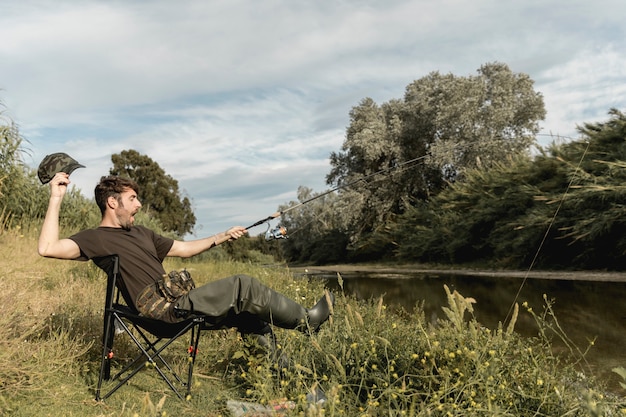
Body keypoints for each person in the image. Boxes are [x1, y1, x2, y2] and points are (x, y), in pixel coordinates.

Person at [38, 171, 334, 358]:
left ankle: (276, 381)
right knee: (243, 284)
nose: (139, 205)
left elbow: (184, 249)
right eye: (133, 199)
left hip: (180, 304)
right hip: (163, 315)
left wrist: (221, 236)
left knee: (247, 314)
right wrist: (56, 197)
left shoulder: (142, 233)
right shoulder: (96, 238)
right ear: (112, 203)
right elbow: (48, 248)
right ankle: (308, 322)